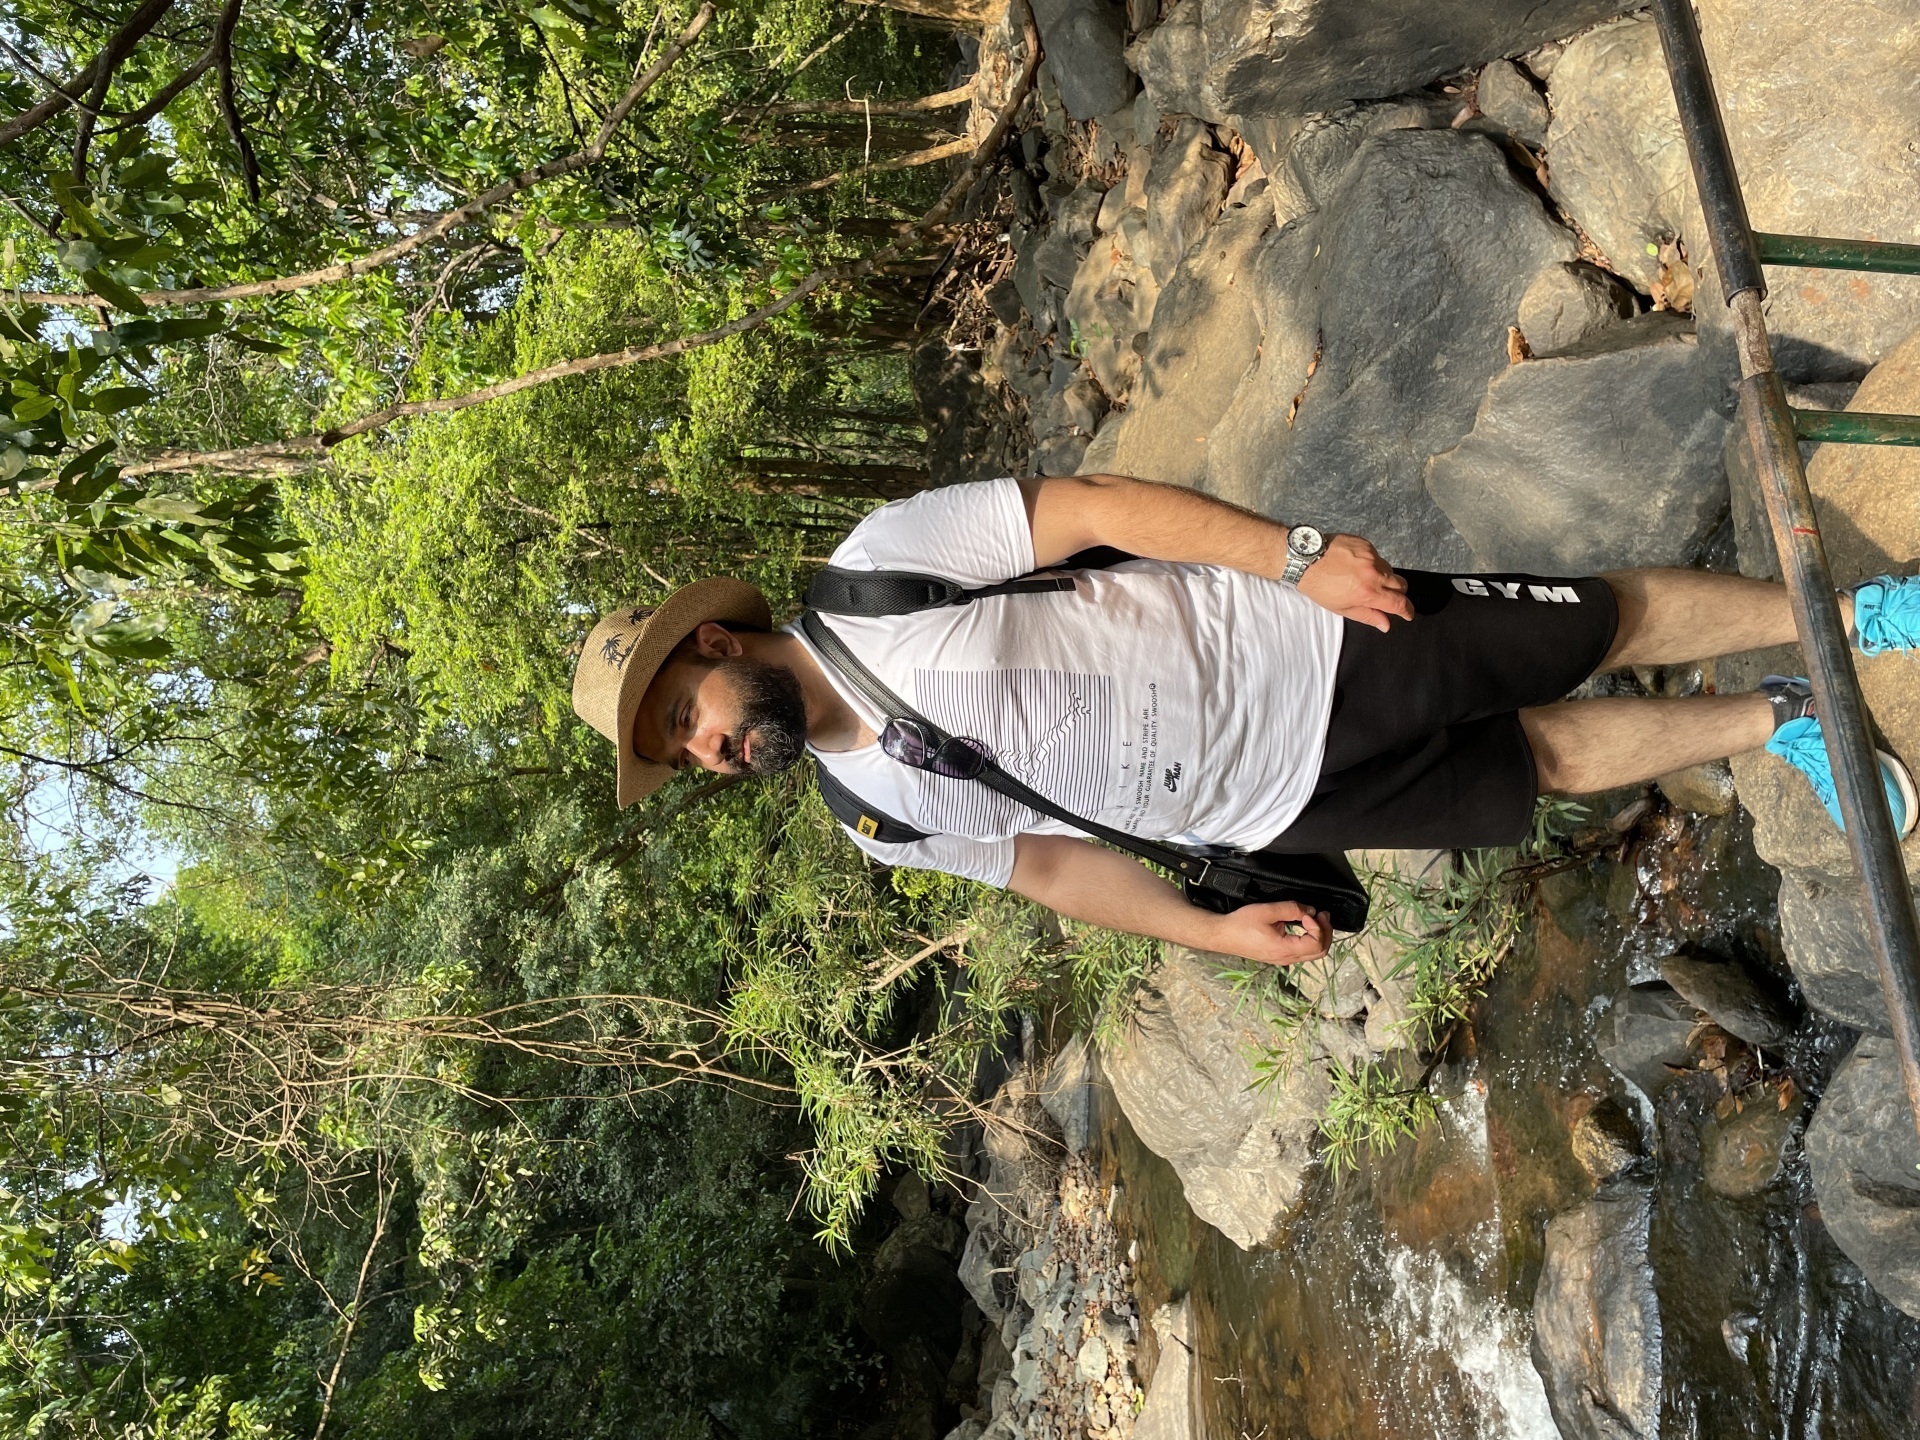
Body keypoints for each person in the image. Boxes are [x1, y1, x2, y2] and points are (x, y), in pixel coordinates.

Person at [570, 473, 1920, 966]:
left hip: (1295, 643)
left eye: (686, 713)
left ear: (716, 642)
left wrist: (1297, 557)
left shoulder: (877, 569)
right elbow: (1047, 869)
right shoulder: (869, 816)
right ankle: (1779, 716)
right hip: (1270, 804)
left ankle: (1849, 620)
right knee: (1541, 764)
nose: (705, 750)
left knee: (1594, 626)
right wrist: (1210, 929)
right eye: (682, 755)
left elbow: (1092, 510)